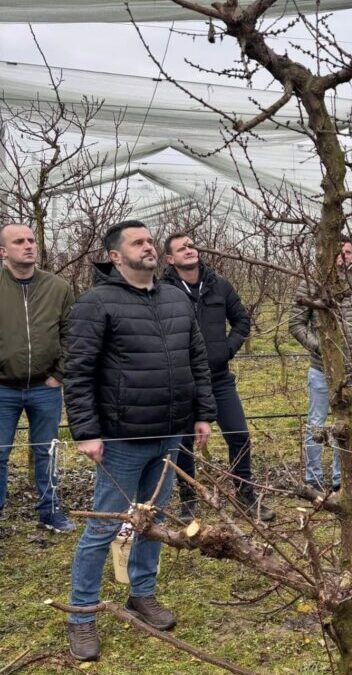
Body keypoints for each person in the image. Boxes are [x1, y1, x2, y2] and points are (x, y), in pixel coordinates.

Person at [63, 221, 216, 662]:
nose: (149, 247)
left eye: (151, 241)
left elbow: (196, 357)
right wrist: (87, 431)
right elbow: (79, 371)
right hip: (123, 436)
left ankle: (141, 593)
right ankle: (81, 614)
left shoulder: (173, 296)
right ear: (116, 256)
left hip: (169, 432)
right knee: (103, 526)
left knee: (153, 520)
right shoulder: (97, 302)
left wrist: (202, 413)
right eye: (139, 243)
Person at [163, 233, 273, 522]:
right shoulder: (163, 290)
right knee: (184, 442)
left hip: (219, 378)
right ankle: (188, 499)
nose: (189, 250)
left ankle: (245, 494)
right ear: (169, 259)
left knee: (239, 435)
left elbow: (242, 321)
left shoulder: (219, 285)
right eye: (181, 248)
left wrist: (226, 349)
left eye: (191, 245)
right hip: (183, 380)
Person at [0, 223, 75, 532]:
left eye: (31, 239)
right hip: (2, 389)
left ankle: (50, 512)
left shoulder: (58, 287)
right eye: (19, 241)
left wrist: (59, 374)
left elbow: (72, 335)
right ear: (3, 251)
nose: (29, 245)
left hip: (46, 387)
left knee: (48, 451)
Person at [289, 235, 352, 492]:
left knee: (346, 424)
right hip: (321, 370)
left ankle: (342, 479)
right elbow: (296, 324)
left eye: (349, 252)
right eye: (339, 253)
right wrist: (322, 348)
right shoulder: (311, 284)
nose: (345, 257)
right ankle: (313, 479)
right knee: (316, 423)